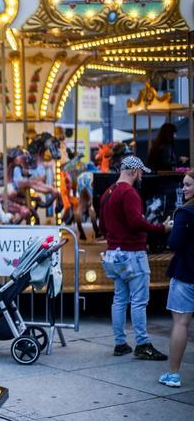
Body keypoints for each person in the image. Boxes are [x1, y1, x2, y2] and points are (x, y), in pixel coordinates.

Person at [99, 156, 171, 360]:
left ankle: (120, 343)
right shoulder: (129, 193)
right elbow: (136, 222)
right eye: (140, 172)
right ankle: (143, 344)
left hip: (113, 254)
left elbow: (102, 224)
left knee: (119, 299)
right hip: (132, 254)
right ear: (132, 171)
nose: (141, 176)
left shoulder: (109, 192)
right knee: (139, 301)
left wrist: (113, 239)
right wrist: (162, 228)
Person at [158, 169, 194, 388]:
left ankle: (173, 374)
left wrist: (169, 229)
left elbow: (174, 243)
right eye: (184, 184)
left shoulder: (185, 213)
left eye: (188, 184)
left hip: (185, 274)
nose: (184, 188)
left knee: (180, 323)